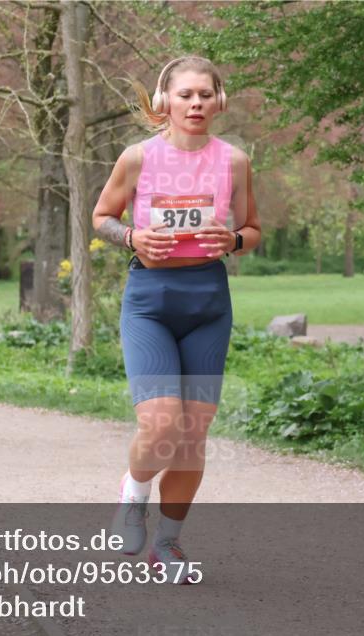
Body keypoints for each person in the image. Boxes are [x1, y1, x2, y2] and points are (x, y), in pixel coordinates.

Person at [92, 56, 261, 582]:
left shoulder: (233, 161)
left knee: (192, 434)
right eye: (185, 95)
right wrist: (130, 236)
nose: (195, 104)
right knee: (161, 424)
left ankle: (168, 545)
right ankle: (133, 494)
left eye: (205, 95)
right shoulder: (137, 158)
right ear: (165, 101)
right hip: (151, 297)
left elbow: (253, 229)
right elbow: (101, 218)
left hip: (208, 300)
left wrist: (233, 240)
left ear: (220, 101)